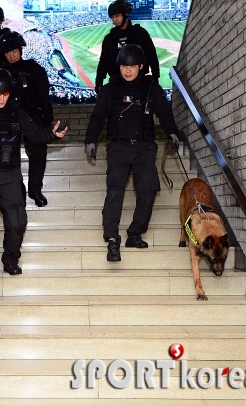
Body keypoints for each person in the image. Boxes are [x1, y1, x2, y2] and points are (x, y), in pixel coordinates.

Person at [0, 68, 68, 299]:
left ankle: (10, 258)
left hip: (10, 176)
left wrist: (53, 134)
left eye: (5, 93)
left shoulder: (18, 114)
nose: (1, 97)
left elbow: (36, 135)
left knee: (18, 222)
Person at [84, 44, 179, 262]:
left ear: (141, 67)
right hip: (118, 147)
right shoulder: (109, 89)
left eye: (133, 66)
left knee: (148, 189)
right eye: (124, 66)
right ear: (119, 66)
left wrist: (172, 132)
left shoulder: (150, 87)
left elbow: (165, 113)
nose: (128, 70)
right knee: (115, 192)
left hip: (145, 147)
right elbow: (97, 117)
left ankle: (135, 232)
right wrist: (90, 140)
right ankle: (112, 240)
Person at [0, 31, 54, 207]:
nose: (11, 55)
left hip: (32, 115)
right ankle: (16, 191)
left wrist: (47, 119)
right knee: (7, 155)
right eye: (7, 52)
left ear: (21, 49)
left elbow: (44, 96)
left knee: (38, 152)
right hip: (7, 117)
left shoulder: (35, 69)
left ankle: (35, 190)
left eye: (14, 50)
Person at [95, 0, 159, 96]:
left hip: (139, 83)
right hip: (116, 84)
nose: (114, 20)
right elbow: (103, 61)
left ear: (126, 14)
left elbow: (152, 55)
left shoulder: (140, 33)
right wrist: (98, 82)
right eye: (112, 17)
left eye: (117, 16)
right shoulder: (109, 39)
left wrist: (155, 77)